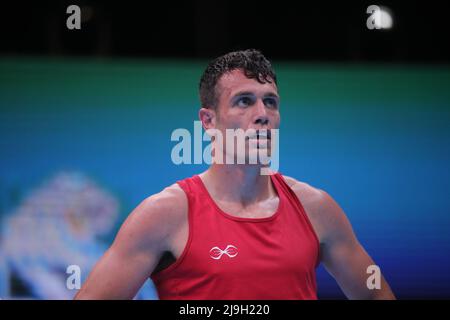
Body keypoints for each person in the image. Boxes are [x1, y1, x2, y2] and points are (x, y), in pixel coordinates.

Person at [75, 49, 395, 300]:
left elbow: (375, 292)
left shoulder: (317, 208)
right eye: (244, 101)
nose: (262, 116)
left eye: (270, 103)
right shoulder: (164, 214)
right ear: (208, 121)